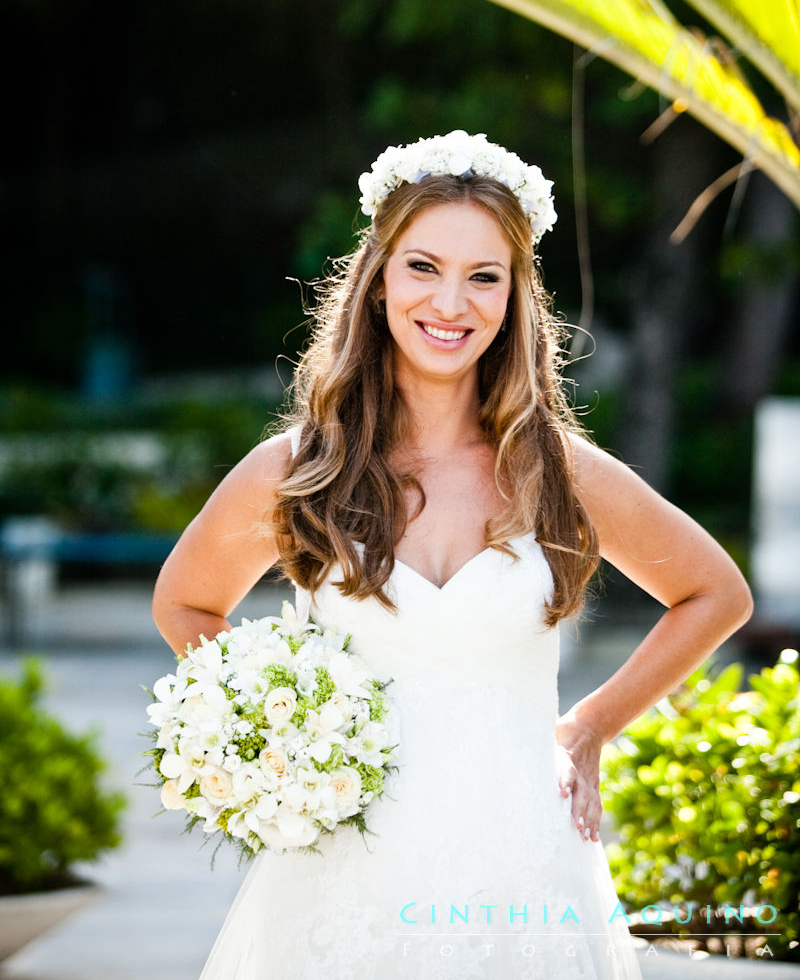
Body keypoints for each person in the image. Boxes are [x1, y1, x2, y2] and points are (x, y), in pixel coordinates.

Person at [152, 129, 753, 979]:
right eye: (423, 267)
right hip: (339, 874)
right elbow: (184, 603)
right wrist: (269, 732)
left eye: (484, 277)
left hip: (523, 872)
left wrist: (588, 728)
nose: (451, 302)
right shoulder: (301, 467)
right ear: (378, 280)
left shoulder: (558, 469)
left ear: (514, 297)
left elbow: (714, 592)